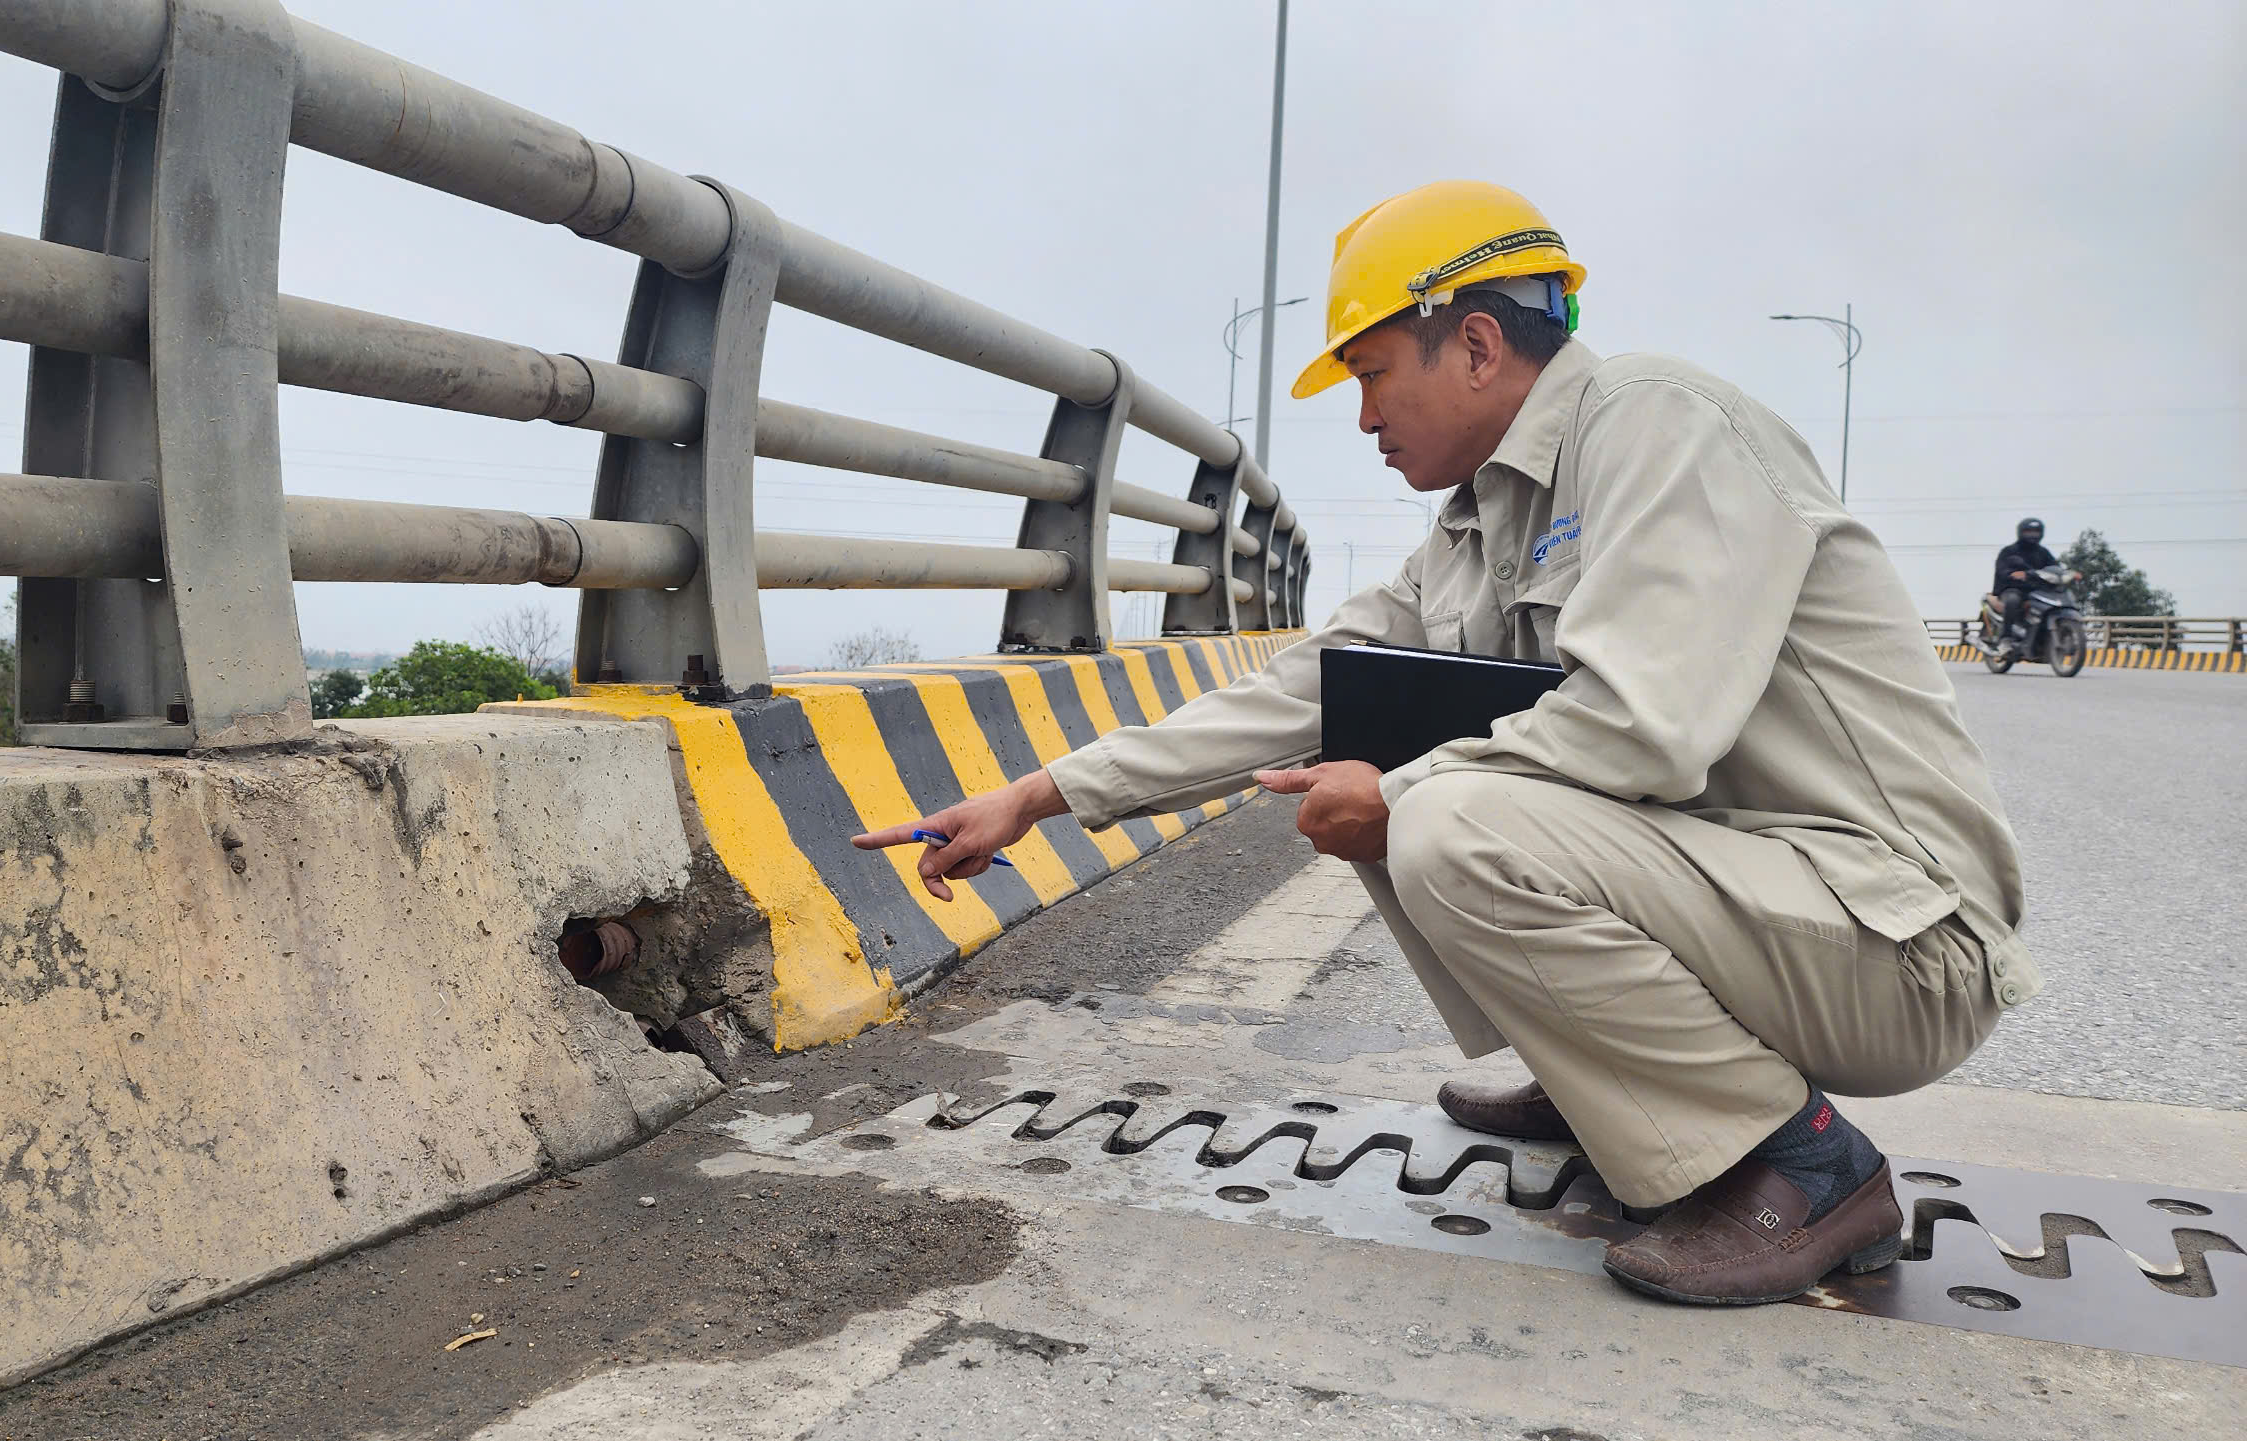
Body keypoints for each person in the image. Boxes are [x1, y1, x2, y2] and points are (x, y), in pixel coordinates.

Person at [856, 180, 2039, 1307]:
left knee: (1445, 810)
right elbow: (1313, 687)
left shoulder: (1662, 428)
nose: (1363, 417)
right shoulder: (1480, 520)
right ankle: (1613, 1080)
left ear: (1475, 345)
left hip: (1898, 940)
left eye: (1372, 376)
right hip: (1767, 906)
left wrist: (1402, 795)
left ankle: (1812, 1169)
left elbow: (1641, 727)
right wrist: (1041, 793)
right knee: (1399, 751)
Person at [1992, 518, 2059, 651]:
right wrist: (2013, 574)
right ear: (2021, 532)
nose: (2033, 535)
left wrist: (2067, 574)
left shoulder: (2043, 552)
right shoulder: (2009, 551)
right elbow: (2002, 570)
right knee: (2012, 601)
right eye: (2029, 531)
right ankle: (2006, 638)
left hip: (2036, 591)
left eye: (2036, 532)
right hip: (2013, 589)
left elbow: (2055, 567)